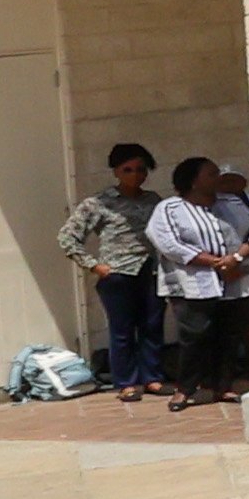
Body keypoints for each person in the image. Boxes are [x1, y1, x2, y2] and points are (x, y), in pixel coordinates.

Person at [55, 142, 163, 402]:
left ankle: (153, 378)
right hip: (118, 273)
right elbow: (67, 237)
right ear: (116, 171)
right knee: (122, 330)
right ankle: (126, 382)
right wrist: (94, 265)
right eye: (128, 170)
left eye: (140, 169)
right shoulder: (99, 203)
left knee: (152, 326)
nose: (135, 175)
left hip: (151, 270)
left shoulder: (153, 200)